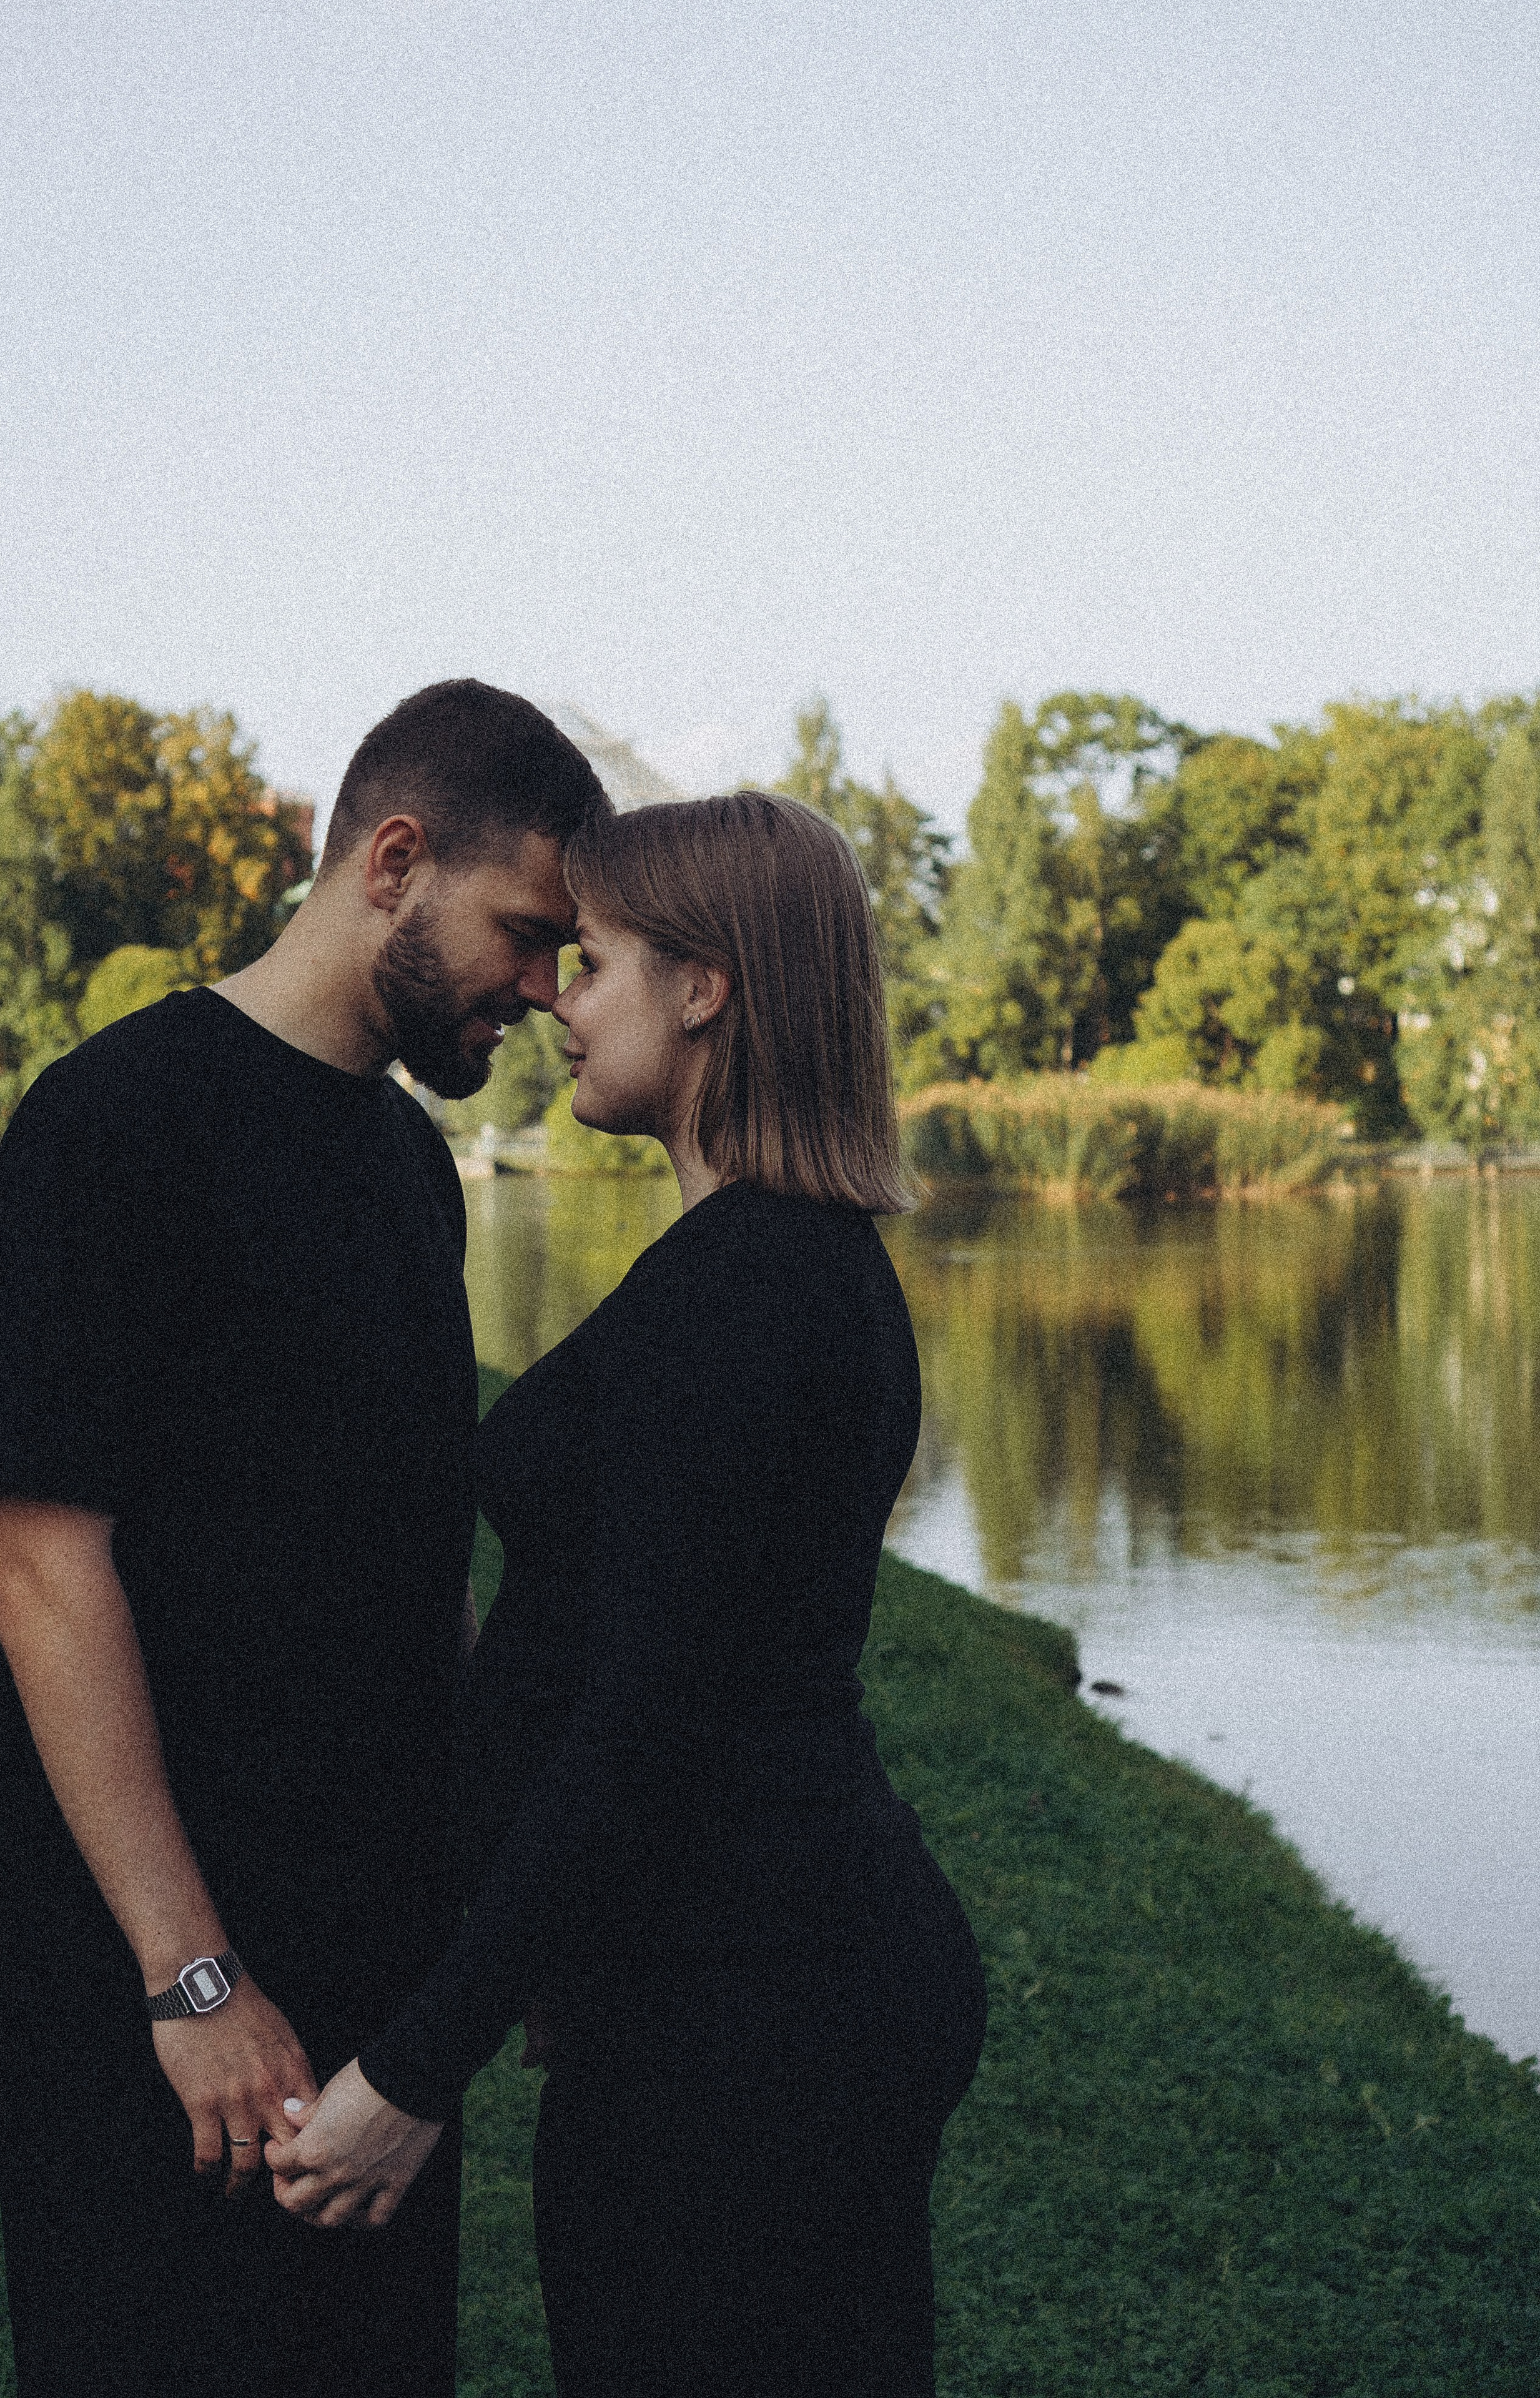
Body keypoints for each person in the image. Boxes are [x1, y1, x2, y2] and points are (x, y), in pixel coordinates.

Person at [269, 791, 988, 2396]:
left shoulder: (757, 1290)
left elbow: (640, 1724)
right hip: (727, 1972)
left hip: (756, 2015)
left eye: (589, 962)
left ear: (706, 986)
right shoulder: (766, 1259)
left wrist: (414, 2069)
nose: (553, 1002)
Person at [0, 680, 606, 2397]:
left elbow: (409, 1567)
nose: (543, 993)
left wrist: (487, 1914)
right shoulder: (117, 1123)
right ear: (394, 860)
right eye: (527, 934)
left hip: (373, 1933)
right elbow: (37, 1559)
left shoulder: (402, 1164)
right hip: (146, 1948)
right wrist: (192, 1976)